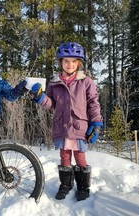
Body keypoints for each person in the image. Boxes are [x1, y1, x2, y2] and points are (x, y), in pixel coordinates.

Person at [30, 42, 103, 201]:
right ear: (61, 63)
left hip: (79, 126)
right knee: (64, 156)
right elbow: (51, 104)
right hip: (61, 126)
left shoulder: (86, 81)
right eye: (66, 61)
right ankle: (66, 184)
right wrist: (40, 97)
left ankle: (83, 187)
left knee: (80, 157)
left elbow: (93, 103)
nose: (70, 64)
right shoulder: (54, 83)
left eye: (73, 61)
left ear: (78, 63)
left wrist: (96, 123)